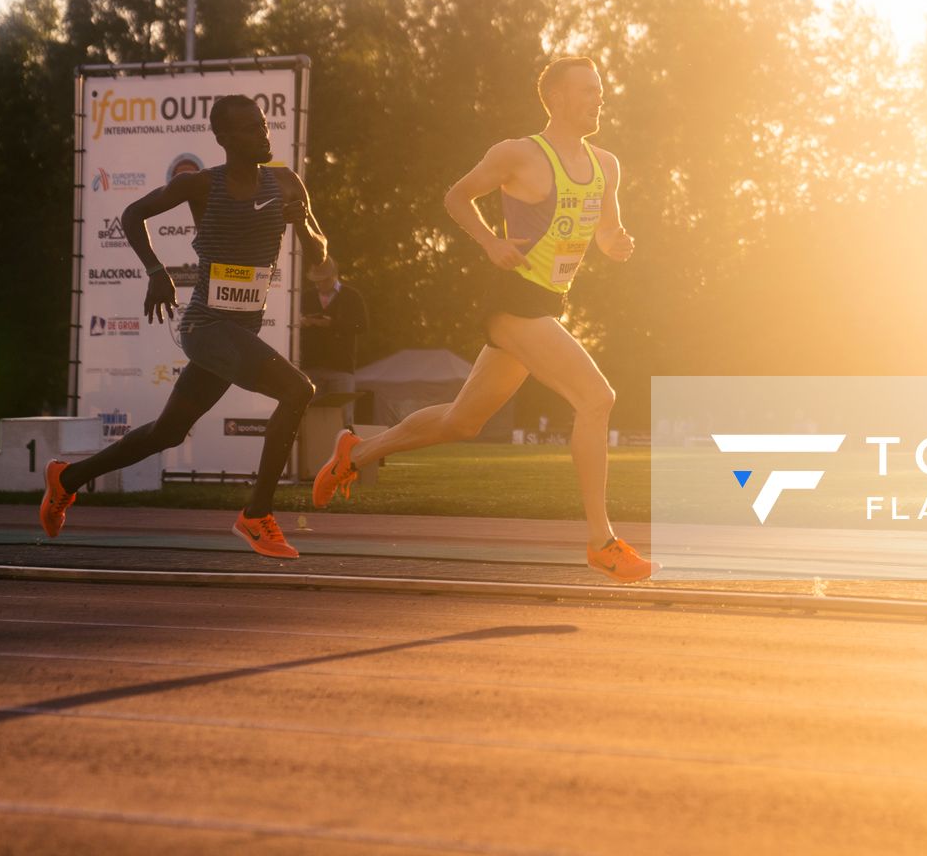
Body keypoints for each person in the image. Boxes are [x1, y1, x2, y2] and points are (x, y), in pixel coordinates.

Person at [312, 56, 657, 582]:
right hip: (513, 303)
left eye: (600, 90)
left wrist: (618, 244)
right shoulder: (519, 154)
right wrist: (491, 242)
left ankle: (356, 452)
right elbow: (456, 197)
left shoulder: (606, 165)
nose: (598, 98)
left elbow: (607, 233)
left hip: (547, 305)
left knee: (462, 421)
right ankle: (601, 541)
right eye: (588, 90)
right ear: (558, 98)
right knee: (597, 398)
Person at [40, 94, 327, 558]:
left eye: (263, 125)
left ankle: (66, 478)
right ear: (224, 138)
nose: (263, 133)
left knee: (167, 434)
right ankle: (255, 516)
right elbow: (132, 215)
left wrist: (306, 230)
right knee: (299, 391)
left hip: (241, 330)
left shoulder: (287, 183)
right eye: (250, 128)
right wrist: (157, 272)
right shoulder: (201, 186)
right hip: (205, 326)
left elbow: (320, 256)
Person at [299, 256, 367, 411]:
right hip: (311, 366)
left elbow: (362, 326)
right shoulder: (306, 296)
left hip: (341, 368)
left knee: (343, 415)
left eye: (323, 280)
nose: (319, 284)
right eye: (317, 281)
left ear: (333, 276)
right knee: (313, 415)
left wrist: (332, 324)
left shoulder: (352, 296)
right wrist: (303, 322)